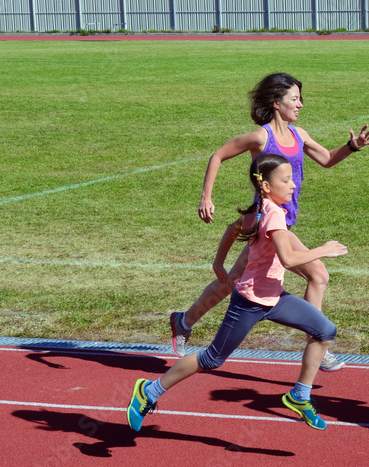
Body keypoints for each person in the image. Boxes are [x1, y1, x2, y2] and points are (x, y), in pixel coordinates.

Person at [169, 72, 369, 372]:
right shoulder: (260, 137)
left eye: (300, 98)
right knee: (318, 275)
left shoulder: (299, 135)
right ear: (277, 102)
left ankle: (184, 321)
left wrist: (352, 146)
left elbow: (328, 159)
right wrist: (206, 197)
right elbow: (218, 156)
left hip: (279, 223)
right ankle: (317, 345)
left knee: (232, 283)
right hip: (267, 222)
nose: (301, 104)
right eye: (295, 98)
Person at [129, 153, 348, 432]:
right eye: (286, 180)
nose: (293, 185)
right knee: (211, 359)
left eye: (292, 179)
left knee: (324, 330)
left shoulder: (258, 211)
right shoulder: (274, 219)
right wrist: (324, 250)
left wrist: (218, 261)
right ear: (266, 187)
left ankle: (299, 396)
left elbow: (233, 229)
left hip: (275, 299)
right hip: (247, 304)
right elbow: (290, 259)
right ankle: (149, 392)